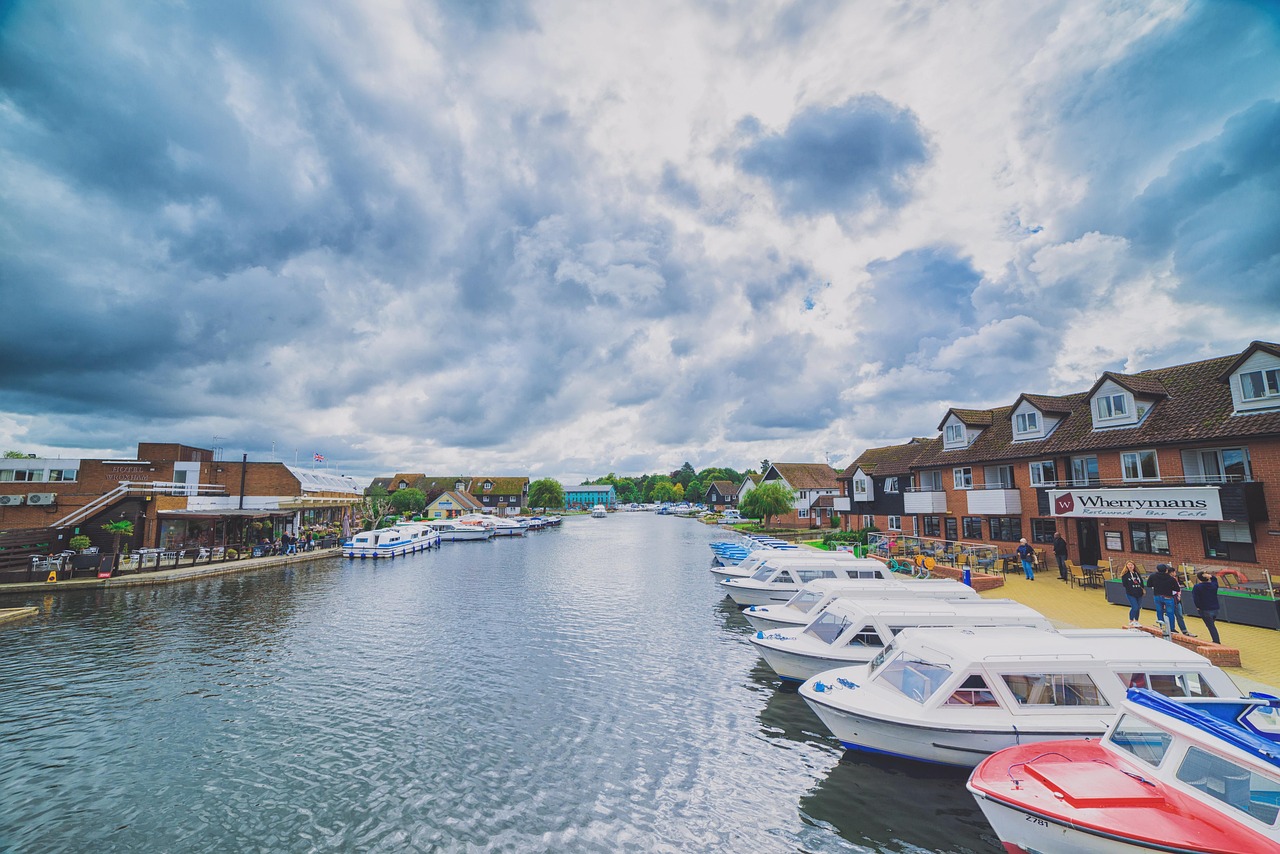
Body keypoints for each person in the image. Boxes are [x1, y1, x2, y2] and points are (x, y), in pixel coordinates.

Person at [1146, 563, 1180, 633]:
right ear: (1166, 570)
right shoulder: (1171, 578)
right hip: (1168, 596)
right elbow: (1177, 589)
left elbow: (1149, 585)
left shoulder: (1153, 576)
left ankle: (1162, 627)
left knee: (1159, 611)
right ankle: (1171, 628)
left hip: (1157, 596)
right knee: (1170, 613)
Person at [1192, 571, 1222, 644]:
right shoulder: (1213, 585)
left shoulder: (1197, 587)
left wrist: (1198, 607)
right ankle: (1216, 640)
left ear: (1199, 579)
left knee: (1211, 626)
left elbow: (1196, 598)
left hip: (1205, 609)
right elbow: (1215, 580)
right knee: (1211, 624)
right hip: (1215, 609)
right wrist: (1210, 576)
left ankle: (1216, 641)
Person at [1120, 561, 1145, 626]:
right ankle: (1131, 620)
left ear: (1134, 566)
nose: (1130, 566)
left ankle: (1136, 621)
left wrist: (1142, 589)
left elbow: (1141, 582)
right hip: (1131, 593)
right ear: (1126, 566)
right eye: (1129, 565)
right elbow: (1125, 584)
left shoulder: (1137, 574)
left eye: (1132, 565)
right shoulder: (1125, 575)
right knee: (1135, 607)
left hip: (1139, 593)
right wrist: (1131, 588)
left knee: (1138, 607)